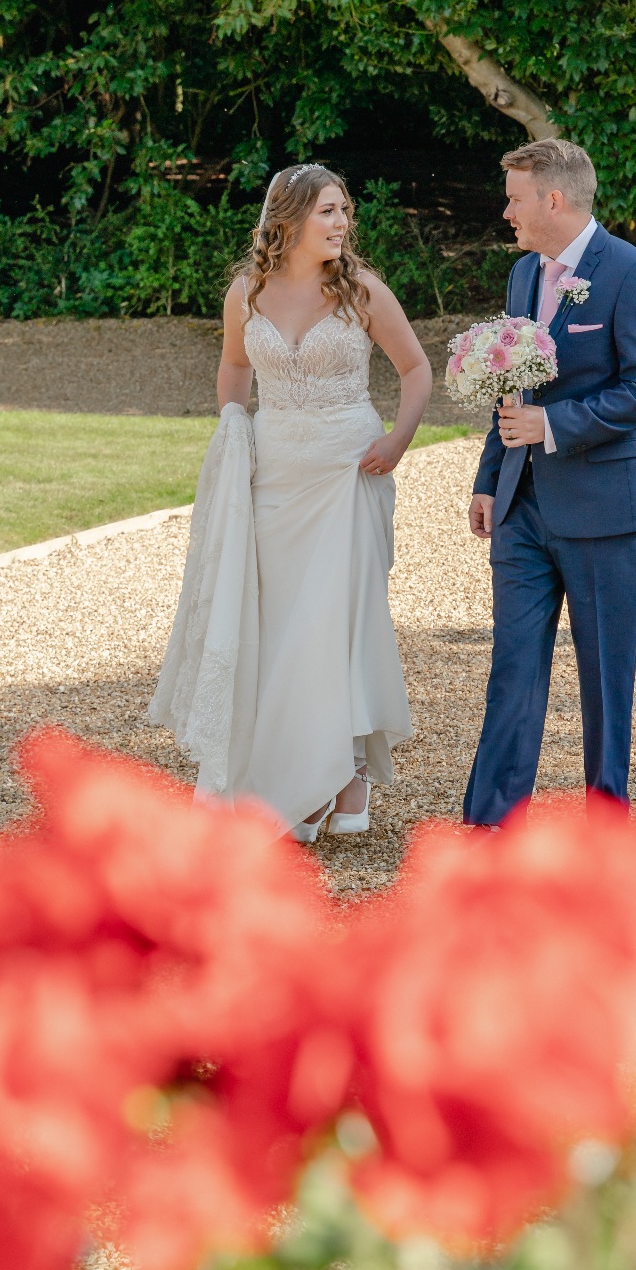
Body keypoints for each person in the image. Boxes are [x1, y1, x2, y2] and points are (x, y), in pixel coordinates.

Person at [149, 164, 432, 841]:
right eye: (327, 211)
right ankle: (297, 769)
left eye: (343, 210)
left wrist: (398, 439)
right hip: (273, 476)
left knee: (340, 620)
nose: (341, 222)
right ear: (290, 219)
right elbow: (234, 366)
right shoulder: (246, 293)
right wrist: (232, 427)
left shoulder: (363, 291)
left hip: (350, 469)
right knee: (282, 627)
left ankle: (347, 769)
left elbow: (416, 368)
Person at [464, 138, 636, 827]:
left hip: (606, 510)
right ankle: (492, 825)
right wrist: (490, 477)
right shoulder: (523, 274)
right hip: (521, 506)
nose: (506, 213)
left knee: (606, 679)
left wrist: (552, 424)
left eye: (515, 199)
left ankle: (605, 829)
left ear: (553, 200)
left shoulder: (634, 274)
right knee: (512, 668)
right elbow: (508, 382)